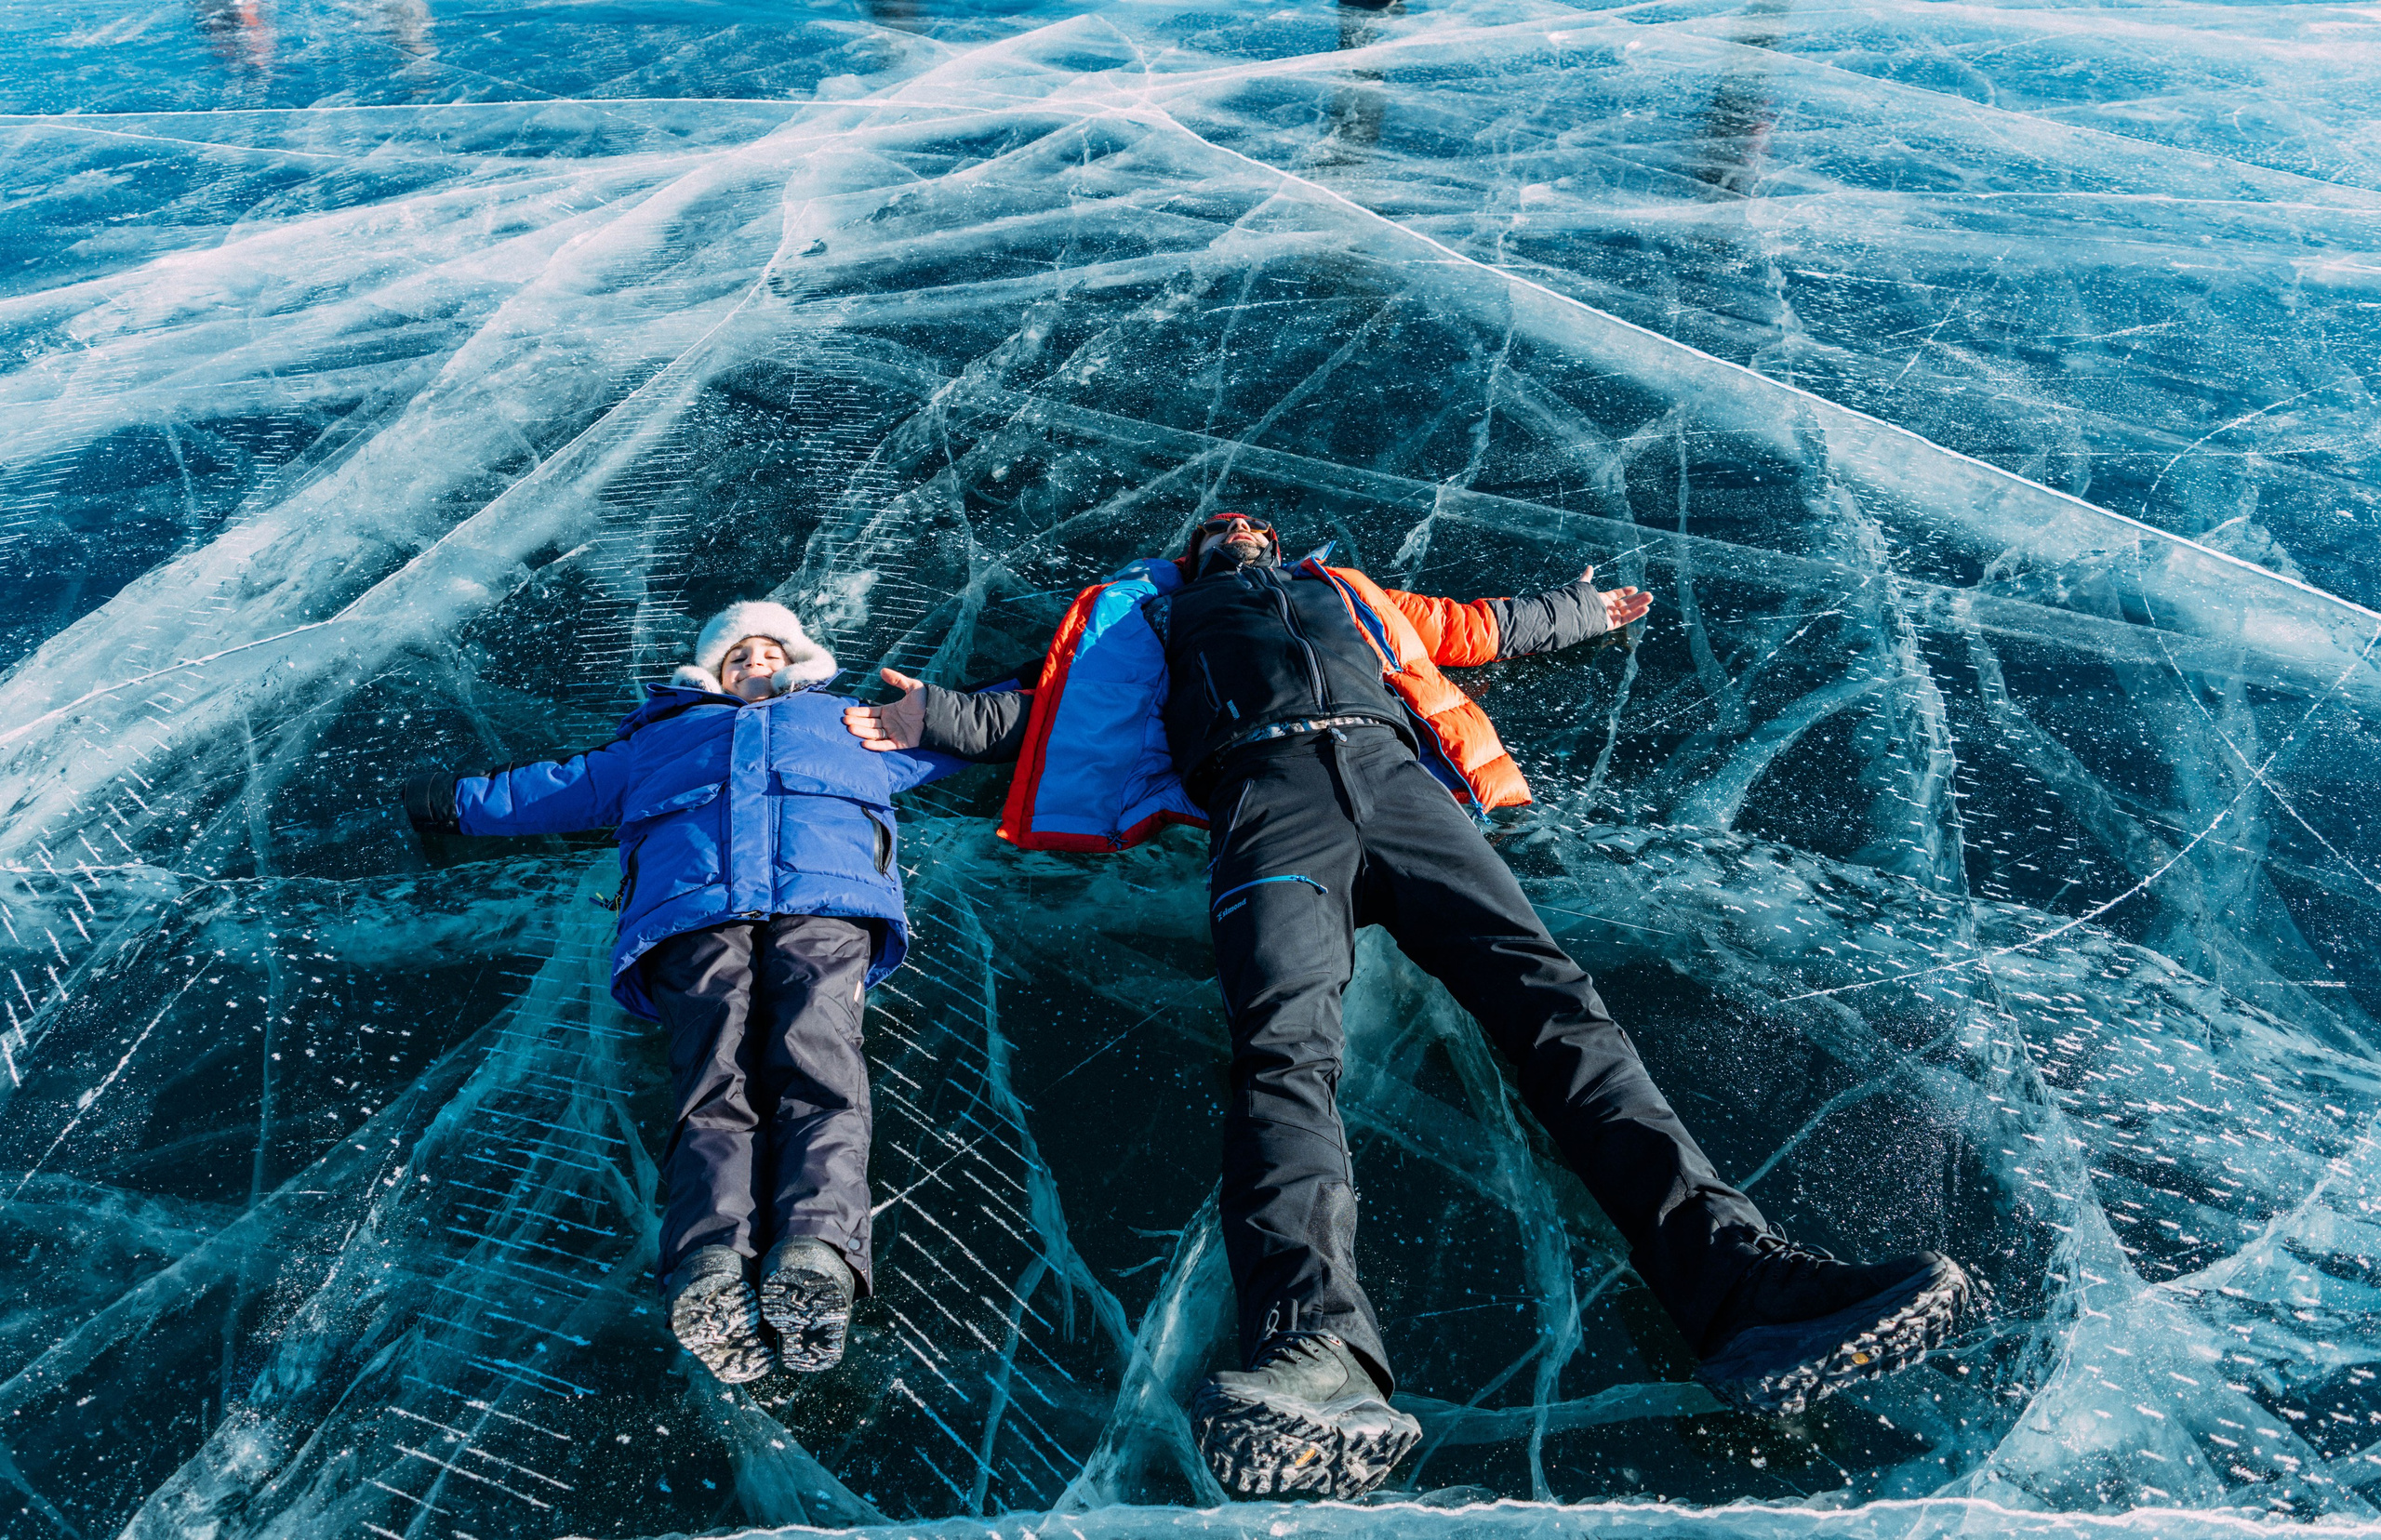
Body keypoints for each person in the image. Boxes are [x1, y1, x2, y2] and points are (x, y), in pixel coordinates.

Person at [843, 513, 1972, 1498]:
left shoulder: (1352, 593)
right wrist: (928, 717)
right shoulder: (1151, 620)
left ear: (1279, 546)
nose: (1240, 538)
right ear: (1190, 558)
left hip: (1401, 785)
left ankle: (1742, 1285)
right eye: (1220, 535)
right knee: (1283, 1054)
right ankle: (1316, 1350)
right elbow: (1046, 708)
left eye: (1254, 531)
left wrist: (1579, 610)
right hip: (1267, 800)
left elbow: (1479, 628)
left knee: (1554, 1006)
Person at [403, 601, 959, 1385]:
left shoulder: (851, 723)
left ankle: (815, 1252)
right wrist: (450, 802)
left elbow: (972, 734)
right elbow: (554, 789)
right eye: (739, 656)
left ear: (797, 660)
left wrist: (1006, 702)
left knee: (820, 1068)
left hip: (825, 906)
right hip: (693, 917)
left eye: (769, 651)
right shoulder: (658, 739)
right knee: (714, 1084)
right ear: (713, 673)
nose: (755, 662)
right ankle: (709, 1266)